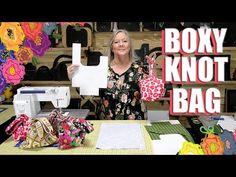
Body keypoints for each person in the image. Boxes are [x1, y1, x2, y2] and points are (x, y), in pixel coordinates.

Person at [67, 29, 147, 120]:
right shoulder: (103, 70)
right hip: (106, 122)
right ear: (112, 47)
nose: (121, 44)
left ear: (130, 46)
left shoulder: (140, 69)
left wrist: (154, 77)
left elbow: (152, 95)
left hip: (135, 122)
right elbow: (87, 93)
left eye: (125, 41)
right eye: (116, 42)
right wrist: (73, 78)